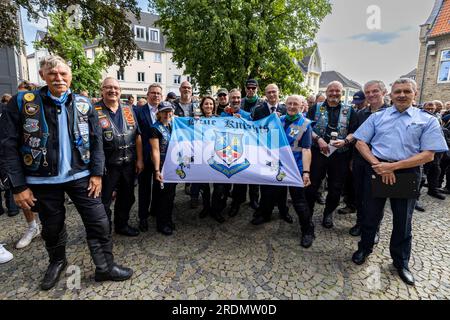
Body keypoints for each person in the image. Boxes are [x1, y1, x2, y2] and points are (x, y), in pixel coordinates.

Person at [0, 55, 133, 290]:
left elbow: (96, 141)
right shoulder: (23, 102)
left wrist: (97, 174)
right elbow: (7, 145)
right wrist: (18, 186)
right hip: (41, 179)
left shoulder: (84, 103)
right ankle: (58, 261)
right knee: (52, 227)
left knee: (99, 222)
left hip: (82, 177)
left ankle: (105, 266)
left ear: (70, 76)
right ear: (42, 75)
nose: (59, 78)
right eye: (52, 73)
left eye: (63, 73)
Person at [351, 78, 448, 286]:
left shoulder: (427, 120)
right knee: (370, 215)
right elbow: (360, 142)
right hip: (377, 168)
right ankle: (364, 249)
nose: (401, 95)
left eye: (406, 91)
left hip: (407, 173)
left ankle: (401, 262)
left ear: (415, 93)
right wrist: (379, 165)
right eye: (397, 92)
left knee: (403, 222)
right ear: (391, 94)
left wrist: (393, 167)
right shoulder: (378, 117)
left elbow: (428, 155)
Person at [305, 81, 358, 229]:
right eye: (331, 90)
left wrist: (346, 141)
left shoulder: (350, 110)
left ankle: (328, 214)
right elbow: (307, 127)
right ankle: (307, 214)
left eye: (337, 91)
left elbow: (355, 131)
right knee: (312, 185)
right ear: (326, 92)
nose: (334, 93)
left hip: (340, 155)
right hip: (318, 152)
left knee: (336, 187)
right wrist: (318, 139)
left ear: (342, 93)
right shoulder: (315, 108)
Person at [95, 77, 144, 237]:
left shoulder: (128, 109)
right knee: (104, 201)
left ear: (120, 91)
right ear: (102, 90)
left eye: (115, 88)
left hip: (128, 164)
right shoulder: (93, 110)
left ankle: (121, 225)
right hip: (107, 166)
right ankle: (104, 229)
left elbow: (137, 136)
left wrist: (140, 159)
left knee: (127, 197)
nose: (112, 91)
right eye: (108, 87)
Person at [348, 80, 388, 239]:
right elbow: (355, 137)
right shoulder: (360, 114)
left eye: (375, 91)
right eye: (368, 92)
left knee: (377, 198)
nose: (371, 95)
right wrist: (351, 159)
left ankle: (374, 229)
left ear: (383, 92)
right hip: (359, 161)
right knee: (359, 194)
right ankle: (359, 222)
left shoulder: (392, 112)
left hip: (380, 162)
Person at [251, 84, 292, 225]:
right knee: (266, 185)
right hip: (265, 153)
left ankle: (283, 211)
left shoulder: (287, 109)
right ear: (265, 94)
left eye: (274, 91)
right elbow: (255, 131)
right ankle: (265, 213)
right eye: (269, 92)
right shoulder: (259, 110)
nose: (272, 94)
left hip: (282, 153)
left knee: (282, 184)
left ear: (279, 92)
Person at [280, 95, 315, 248]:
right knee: (274, 194)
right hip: (279, 167)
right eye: (289, 103)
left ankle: (308, 231)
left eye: (296, 104)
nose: (292, 106)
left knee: (299, 202)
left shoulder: (305, 124)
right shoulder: (278, 120)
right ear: (285, 105)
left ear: (302, 106)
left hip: (296, 169)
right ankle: (270, 214)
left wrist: (306, 172)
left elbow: (307, 149)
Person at [190, 96, 225, 223]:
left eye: (211, 104)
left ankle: (216, 210)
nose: (209, 106)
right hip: (202, 157)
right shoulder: (197, 120)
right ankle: (206, 208)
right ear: (202, 106)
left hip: (218, 156)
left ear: (214, 106)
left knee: (219, 186)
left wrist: (237, 119)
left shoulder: (220, 120)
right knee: (204, 186)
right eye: (206, 104)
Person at [220, 89, 253, 218]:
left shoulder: (246, 115)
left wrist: (243, 123)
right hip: (225, 152)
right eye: (233, 98)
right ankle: (222, 202)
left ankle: (236, 204)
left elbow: (252, 132)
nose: (236, 100)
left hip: (241, 152)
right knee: (225, 179)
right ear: (229, 98)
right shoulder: (223, 115)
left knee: (239, 181)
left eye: (238, 98)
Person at [134, 84, 162, 232]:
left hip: (160, 158)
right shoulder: (138, 111)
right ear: (147, 95)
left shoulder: (166, 111)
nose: (156, 95)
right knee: (144, 188)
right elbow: (136, 135)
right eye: (153, 93)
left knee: (158, 186)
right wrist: (138, 159)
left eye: (158, 93)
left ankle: (155, 210)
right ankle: (143, 217)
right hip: (144, 156)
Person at [338, 90, 368, 216]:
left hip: (369, 152)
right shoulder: (356, 112)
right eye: (356, 103)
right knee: (350, 181)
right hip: (352, 151)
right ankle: (350, 204)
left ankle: (362, 212)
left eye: (360, 103)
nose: (358, 105)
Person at [150, 101, 177, 235]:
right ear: (159, 113)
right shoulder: (155, 128)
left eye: (169, 111)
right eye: (164, 112)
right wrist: (156, 170)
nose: (167, 114)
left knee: (171, 195)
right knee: (163, 196)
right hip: (162, 167)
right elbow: (155, 151)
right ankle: (162, 223)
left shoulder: (173, 125)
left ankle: (168, 219)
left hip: (173, 166)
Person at [421, 101, 446, 200]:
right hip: (423, 150)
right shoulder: (420, 117)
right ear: (423, 108)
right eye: (428, 108)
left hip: (435, 149)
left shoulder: (437, 117)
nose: (430, 110)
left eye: (432, 108)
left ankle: (433, 190)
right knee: (422, 173)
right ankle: (415, 197)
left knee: (435, 170)